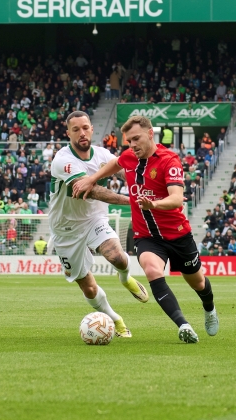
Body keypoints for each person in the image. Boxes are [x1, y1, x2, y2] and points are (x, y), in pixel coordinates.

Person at [72, 115, 218, 343]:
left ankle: (209, 309)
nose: (132, 145)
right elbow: (115, 163)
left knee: (198, 282)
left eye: (136, 139)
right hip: (147, 237)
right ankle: (183, 325)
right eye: (129, 141)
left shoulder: (169, 161)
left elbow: (177, 199)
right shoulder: (130, 157)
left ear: (150, 134)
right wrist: (92, 179)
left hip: (177, 233)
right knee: (151, 270)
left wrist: (154, 205)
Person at [46, 111, 150, 339]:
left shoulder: (102, 154)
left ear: (92, 129)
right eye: (76, 129)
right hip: (65, 230)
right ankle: (115, 318)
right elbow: (90, 190)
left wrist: (145, 183)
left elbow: (125, 170)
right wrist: (132, 201)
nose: (82, 133)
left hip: (94, 219)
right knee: (89, 287)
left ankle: (125, 278)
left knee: (118, 257)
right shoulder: (63, 161)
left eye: (85, 128)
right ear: (68, 133)